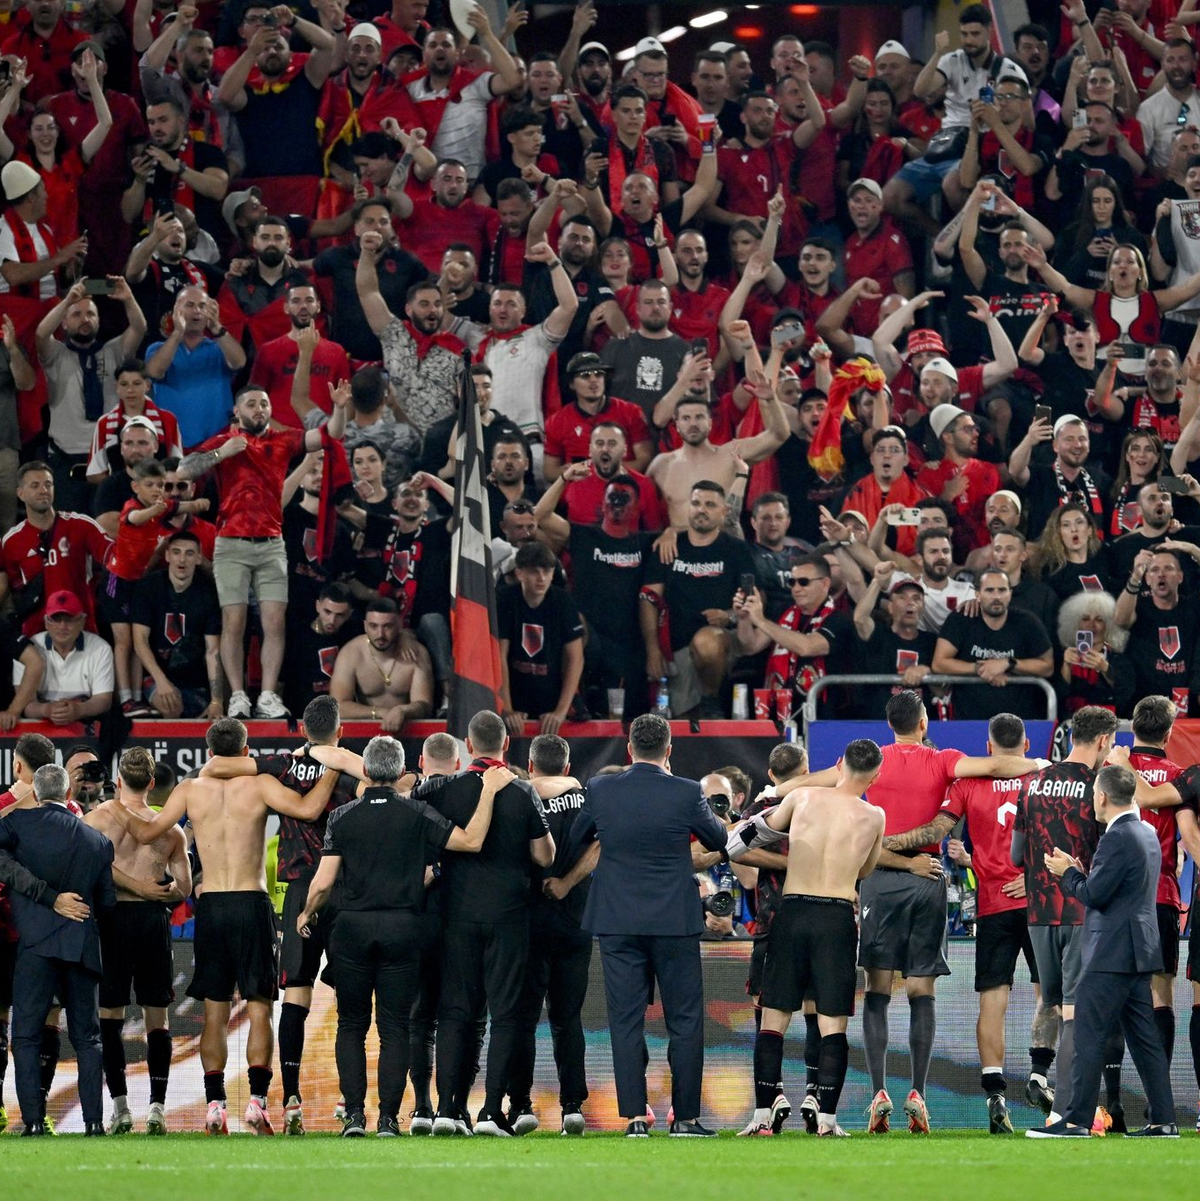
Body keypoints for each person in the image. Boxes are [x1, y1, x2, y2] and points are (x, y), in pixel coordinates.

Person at [113, 717, 342, 1136]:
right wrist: (333, 768)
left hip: (213, 906)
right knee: (259, 1010)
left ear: (208, 748)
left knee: (214, 1011)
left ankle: (215, 1104)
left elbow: (146, 833)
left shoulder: (189, 790)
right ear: (245, 747)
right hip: (251, 905)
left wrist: (116, 808)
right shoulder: (257, 785)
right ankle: (257, 1101)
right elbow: (309, 809)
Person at [296, 736, 504, 1138]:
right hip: (403, 929)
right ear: (400, 772)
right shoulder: (417, 813)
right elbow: (471, 841)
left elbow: (323, 883)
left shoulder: (343, 816)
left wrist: (307, 912)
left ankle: (355, 1116)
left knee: (351, 1025)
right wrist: (490, 792)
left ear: (369, 771)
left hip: (352, 929)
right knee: (394, 1027)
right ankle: (389, 1120)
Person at [202, 695, 362, 1135]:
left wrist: (293, 757)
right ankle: (352, 1104)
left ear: (302, 729)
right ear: (340, 730)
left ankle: (291, 1099)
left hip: (297, 891)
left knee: (297, 994)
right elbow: (389, 783)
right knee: (350, 1001)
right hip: (345, 890)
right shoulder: (350, 765)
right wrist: (337, 759)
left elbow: (217, 767)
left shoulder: (279, 764)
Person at [572, 712, 728, 1137]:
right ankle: (687, 1119)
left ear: (629, 749)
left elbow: (575, 841)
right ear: (669, 751)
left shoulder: (602, 789)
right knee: (685, 1020)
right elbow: (718, 840)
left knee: (625, 1019)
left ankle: (636, 1118)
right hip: (674, 921)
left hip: (618, 920)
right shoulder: (686, 791)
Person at [730, 738, 886, 1138]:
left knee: (773, 1018)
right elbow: (865, 870)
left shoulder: (804, 797)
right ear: (877, 775)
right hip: (836, 917)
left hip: (792, 909)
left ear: (838, 763)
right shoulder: (875, 816)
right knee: (833, 1023)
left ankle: (762, 1116)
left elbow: (759, 832)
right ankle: (827, 1122)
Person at [408, 710, 553, 1136]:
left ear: (467, 747)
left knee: (455, 1012)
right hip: (509, 917)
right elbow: (545, 857)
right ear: (506, 745)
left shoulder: (439, 790)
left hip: (456, 917)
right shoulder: (522, 792)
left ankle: (449, 1111)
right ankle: (491, 1110)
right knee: (505, 1014)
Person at [177, 383, 348, 720]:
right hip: (231, 542)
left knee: (273, 622)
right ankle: (238, 695)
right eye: (251, 404)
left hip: (271, 543)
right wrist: (222, 453)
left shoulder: (283, 440)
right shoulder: (224, 442)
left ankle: (268, 695)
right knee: (234, 621)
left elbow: (330, 436)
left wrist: (340, 408)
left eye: (265, 403)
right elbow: (184, 469)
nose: (259, 409)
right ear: (237, 412)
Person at [1032, 764, 1179, 1138]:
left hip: (1111, 951)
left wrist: (1067, 873)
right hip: (1139, 949)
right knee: (1145, 1041)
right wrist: (1083, 873)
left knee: (1087, 1034)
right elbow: (1117, 889)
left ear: (1101, 796)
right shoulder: (1145, 831)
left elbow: (1095, 896)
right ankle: (1164, 1120)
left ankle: (1077, 1121)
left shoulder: (1116, 837)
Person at [1012, 704, 1119, 1128]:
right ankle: (1068, 1110)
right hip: (1082, 910)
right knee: (1077, 1011)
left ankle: (1039, 1072)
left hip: (1038, 911)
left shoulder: (1032, 783)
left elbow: (1016, 854)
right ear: (1104, 740)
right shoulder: (1099, 787)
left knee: (1048, 1001)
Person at [0, 763, 113, 1136]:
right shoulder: (97, 841)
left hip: (34, 947)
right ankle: (94, 1123)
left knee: (27, 1037)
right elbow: (107, 903)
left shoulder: (16, 826)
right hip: (80, 945)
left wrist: (44, 899)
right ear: (68, 796)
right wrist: (58, 901)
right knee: (87, 1038)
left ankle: (32, 1122)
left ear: (34, 792)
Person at [83, 747, 190, 1136]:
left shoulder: (94, 822)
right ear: (150, 783)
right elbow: (185, 888)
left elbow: (92, 873)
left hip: (111, 921)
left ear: (118, 780)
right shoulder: (170, 829)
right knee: (156, 1016)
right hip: (150, 925)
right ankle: (158, 1108)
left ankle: (121, 1107)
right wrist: (158, 891)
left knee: (109, 1017)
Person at [506, 734, 597, 1135]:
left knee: (522, 1018)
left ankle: (521, 1105)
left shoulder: (519, 795)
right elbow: (601, 846)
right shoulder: (587, 798)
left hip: (527, 922)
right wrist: (567, 882)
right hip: (576, 919)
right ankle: (572, 1107)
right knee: (567, 1018)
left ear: (530, 765)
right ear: (567, 766)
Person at [932, 568, 1055, 720]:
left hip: (1019, 722)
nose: (996, 596)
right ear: (977, 594)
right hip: (968, 721)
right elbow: (939, 663)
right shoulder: (961, 619)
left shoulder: (1028, 622)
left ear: (1010, 594)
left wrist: (1008, 664)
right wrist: (981, 669)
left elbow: (1047, 666)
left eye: (1002, 590)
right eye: (989, 590)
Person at [131, 530, 222, 720]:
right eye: (176, 552)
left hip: (194, 679)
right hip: (157, 675)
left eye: (189, 553)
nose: (182, 559)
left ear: (198, 558)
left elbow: (213, 651)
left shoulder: (208, 594)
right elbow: (139, 640)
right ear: (167, 555)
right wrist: (161, 680)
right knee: (171, 705)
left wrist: (217, 700)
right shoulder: (150, 587)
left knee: (216, 715)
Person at [498, 542, 584, 736]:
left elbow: (576, 658)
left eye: (547, 571)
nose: (541, 578)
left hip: (551, 696)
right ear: (519, 573)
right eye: (534, 572)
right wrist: (507, 708)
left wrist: (560, 712)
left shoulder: (563, 600)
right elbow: (499, 655)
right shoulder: (504, 599)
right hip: (516, 694)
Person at [329, 597, 434, 733]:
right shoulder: (351, 653)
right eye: (373, 626)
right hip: (365, 731)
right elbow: (337, 706)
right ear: (365, 626)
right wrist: (378, 712)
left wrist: (402, 710)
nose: (380, 634)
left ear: (399, 625)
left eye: (387, 626)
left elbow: (424, 706)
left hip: (407, 732)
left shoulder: (415, 653)